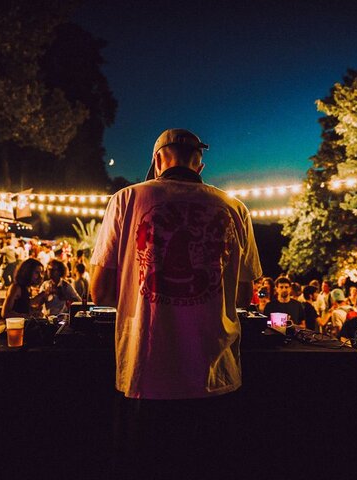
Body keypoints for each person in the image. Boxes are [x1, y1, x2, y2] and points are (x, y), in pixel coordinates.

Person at [90, 128, 262, 479]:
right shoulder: (235, 208)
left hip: (146, 374)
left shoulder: (126, 200)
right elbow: (243, 297)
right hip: (215, 376)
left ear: (157, 160)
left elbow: (100, 292)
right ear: (200, 164)